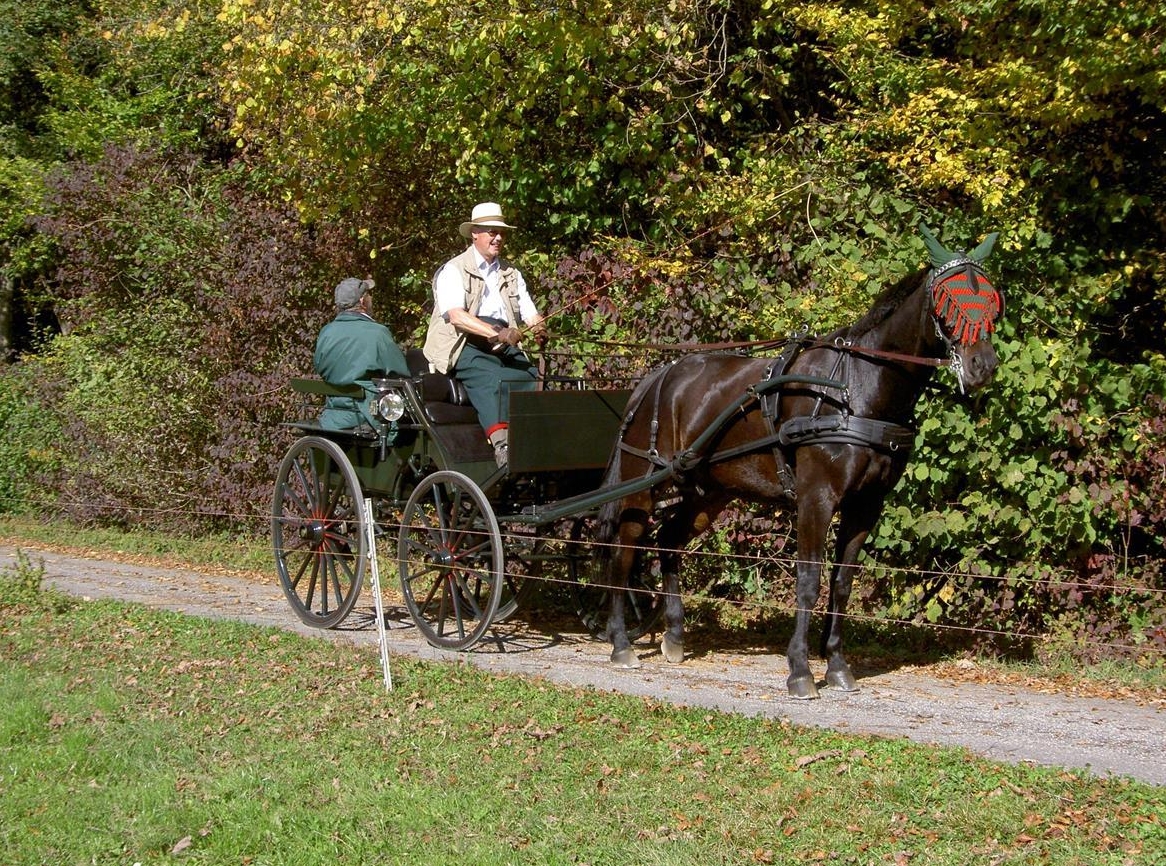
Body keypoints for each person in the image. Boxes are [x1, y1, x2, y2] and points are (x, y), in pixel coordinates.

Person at [423, 202, 546, 466]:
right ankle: (502, 444)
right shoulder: (453, 269)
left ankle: (534, 437)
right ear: (474, 233)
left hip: (503, 338)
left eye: (501, 233)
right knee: (492, 378)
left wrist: (539, 328)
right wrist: (496, 333)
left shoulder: (511, 273)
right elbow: (456, 316)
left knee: (533, 376)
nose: (498, 238)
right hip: (463, 341)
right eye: (492, 232)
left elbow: (529, 312)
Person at [313, 277, 409, 430]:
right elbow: (400, 374)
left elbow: (320, 367)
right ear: (363, 301)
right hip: (372, 417)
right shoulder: (377, 333)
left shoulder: (326, 332)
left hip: (333, 415)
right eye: (369, 295)